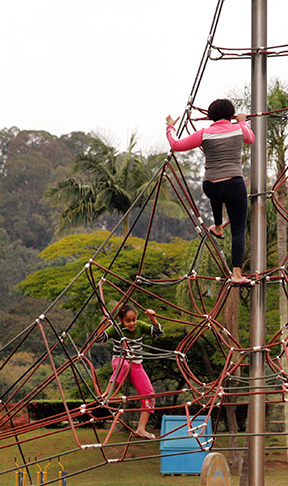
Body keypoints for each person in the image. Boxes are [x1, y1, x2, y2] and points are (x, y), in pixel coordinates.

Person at [166, 98, 255, 285]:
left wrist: (170, 127)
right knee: (238, 230)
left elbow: (176, 145)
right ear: (230, 115)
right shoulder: (239, 128)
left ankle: (218, 226)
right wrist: (242, 120)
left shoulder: (204, 133)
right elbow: (250, 139)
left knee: (218, 191)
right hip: (234, 185)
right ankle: (236, 274)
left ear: (210, 117)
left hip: (211, 187)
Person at [97, 304, 163, 439]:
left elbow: (158, 332)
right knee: (124, 365)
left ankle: (141, 429)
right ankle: (106, 394)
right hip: (120, 361)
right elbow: (99, 339)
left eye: (134, 320)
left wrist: (152, 318)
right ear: (121, 320)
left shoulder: (139, 326)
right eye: (128, 321)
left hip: (136, 365)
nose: (132, 323)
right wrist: (102, 324)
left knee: (149, 396)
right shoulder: (116, 328)